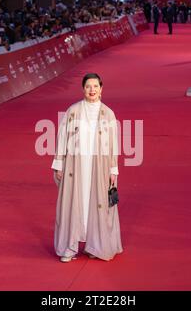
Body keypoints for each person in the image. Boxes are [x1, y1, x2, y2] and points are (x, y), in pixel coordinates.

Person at [51, 73, 122, 263]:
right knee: (73, 204)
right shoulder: (73, 111)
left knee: (97, 204)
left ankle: (95, 246)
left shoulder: (108, 113)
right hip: (76, 166)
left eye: (95, 86)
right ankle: (69, 247)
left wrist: (113, 170)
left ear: (101, 89)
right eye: (88, 86)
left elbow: (113, 143)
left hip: (99, 166)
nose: (92, 90)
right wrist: (59, 163)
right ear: (83, 89)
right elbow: (62, 139)